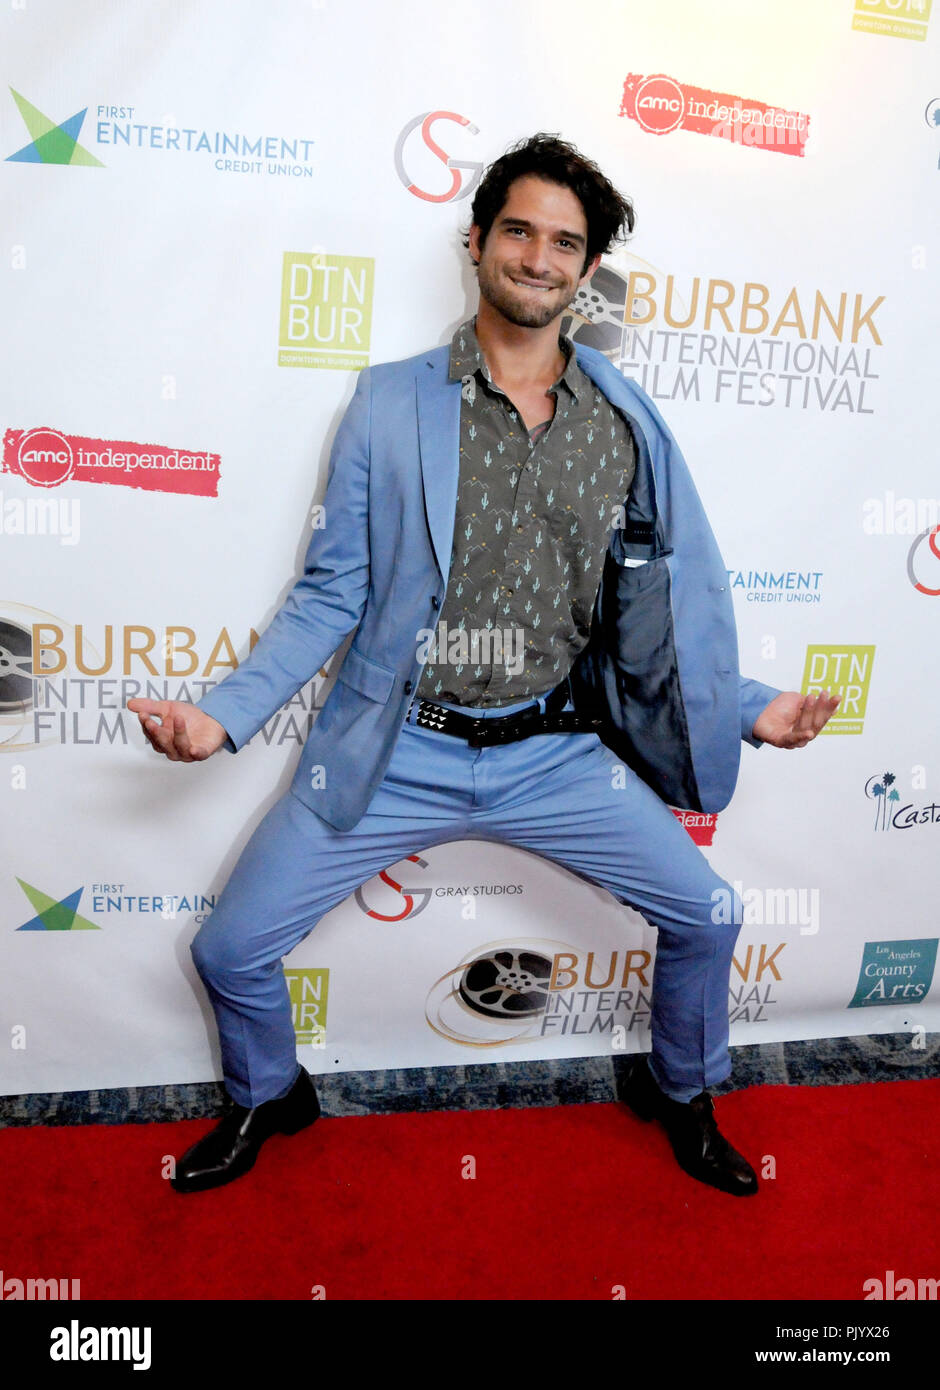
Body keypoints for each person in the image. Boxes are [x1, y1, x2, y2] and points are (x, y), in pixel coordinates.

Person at [128, 133, 839, 1198]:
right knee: (230, 948)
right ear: (477, 241)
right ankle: (269, 1092)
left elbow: (642, 624)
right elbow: (332, 591)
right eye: (519, 229)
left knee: (710, 912)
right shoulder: (386, 404)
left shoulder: (625, 428)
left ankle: (681, 1089)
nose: (539, 257)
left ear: (587, 271)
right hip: (395, 745)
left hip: (553, 752)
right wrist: (221, 719)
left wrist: (751, 707)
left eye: (566, 242)